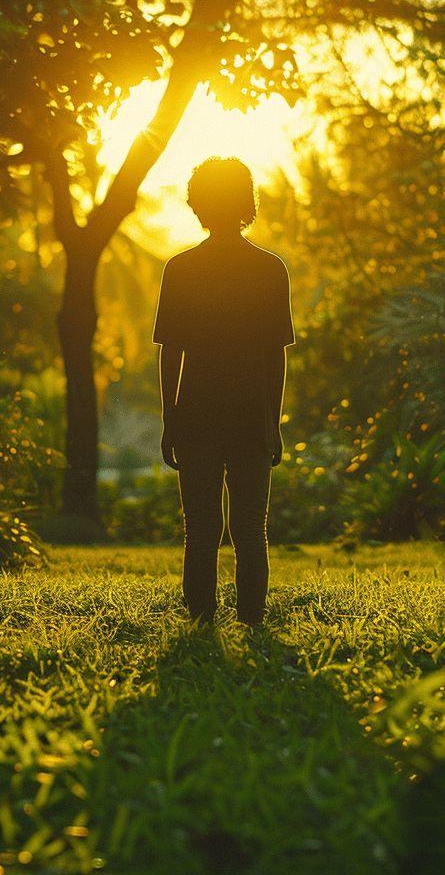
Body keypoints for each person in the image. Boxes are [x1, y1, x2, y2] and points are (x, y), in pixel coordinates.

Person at [153, 156, 294, 627]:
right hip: (252, 414)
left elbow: (170, 353)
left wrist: (170, 419)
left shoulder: (182, 268)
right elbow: (277, 357)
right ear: (245, 203)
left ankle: (201, 620)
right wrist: (272, 424)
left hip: (196, 413)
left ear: (198, 204)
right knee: (251, 527)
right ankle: (251, 619)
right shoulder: (270, 269)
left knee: (201, 529)